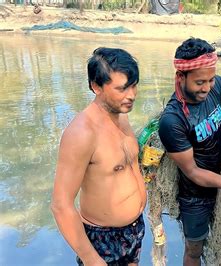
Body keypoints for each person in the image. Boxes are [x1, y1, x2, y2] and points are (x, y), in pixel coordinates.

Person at [158, 37, 221, 265]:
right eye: (199, 82)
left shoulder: (213, 87)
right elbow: (192, 171)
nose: (206, 88)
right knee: (194, 250)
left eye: (211, 80)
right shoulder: (172, 120)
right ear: (181, 77)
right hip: (195, 196)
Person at [51, 47, 147, 266]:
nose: (131, 95)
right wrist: (91, 259)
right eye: (122, 88)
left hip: (134, 229)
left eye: (133, 85)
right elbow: (61, 205)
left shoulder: (121, 114)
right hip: (102, 239)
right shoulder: (81, 133)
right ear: (96, 87)